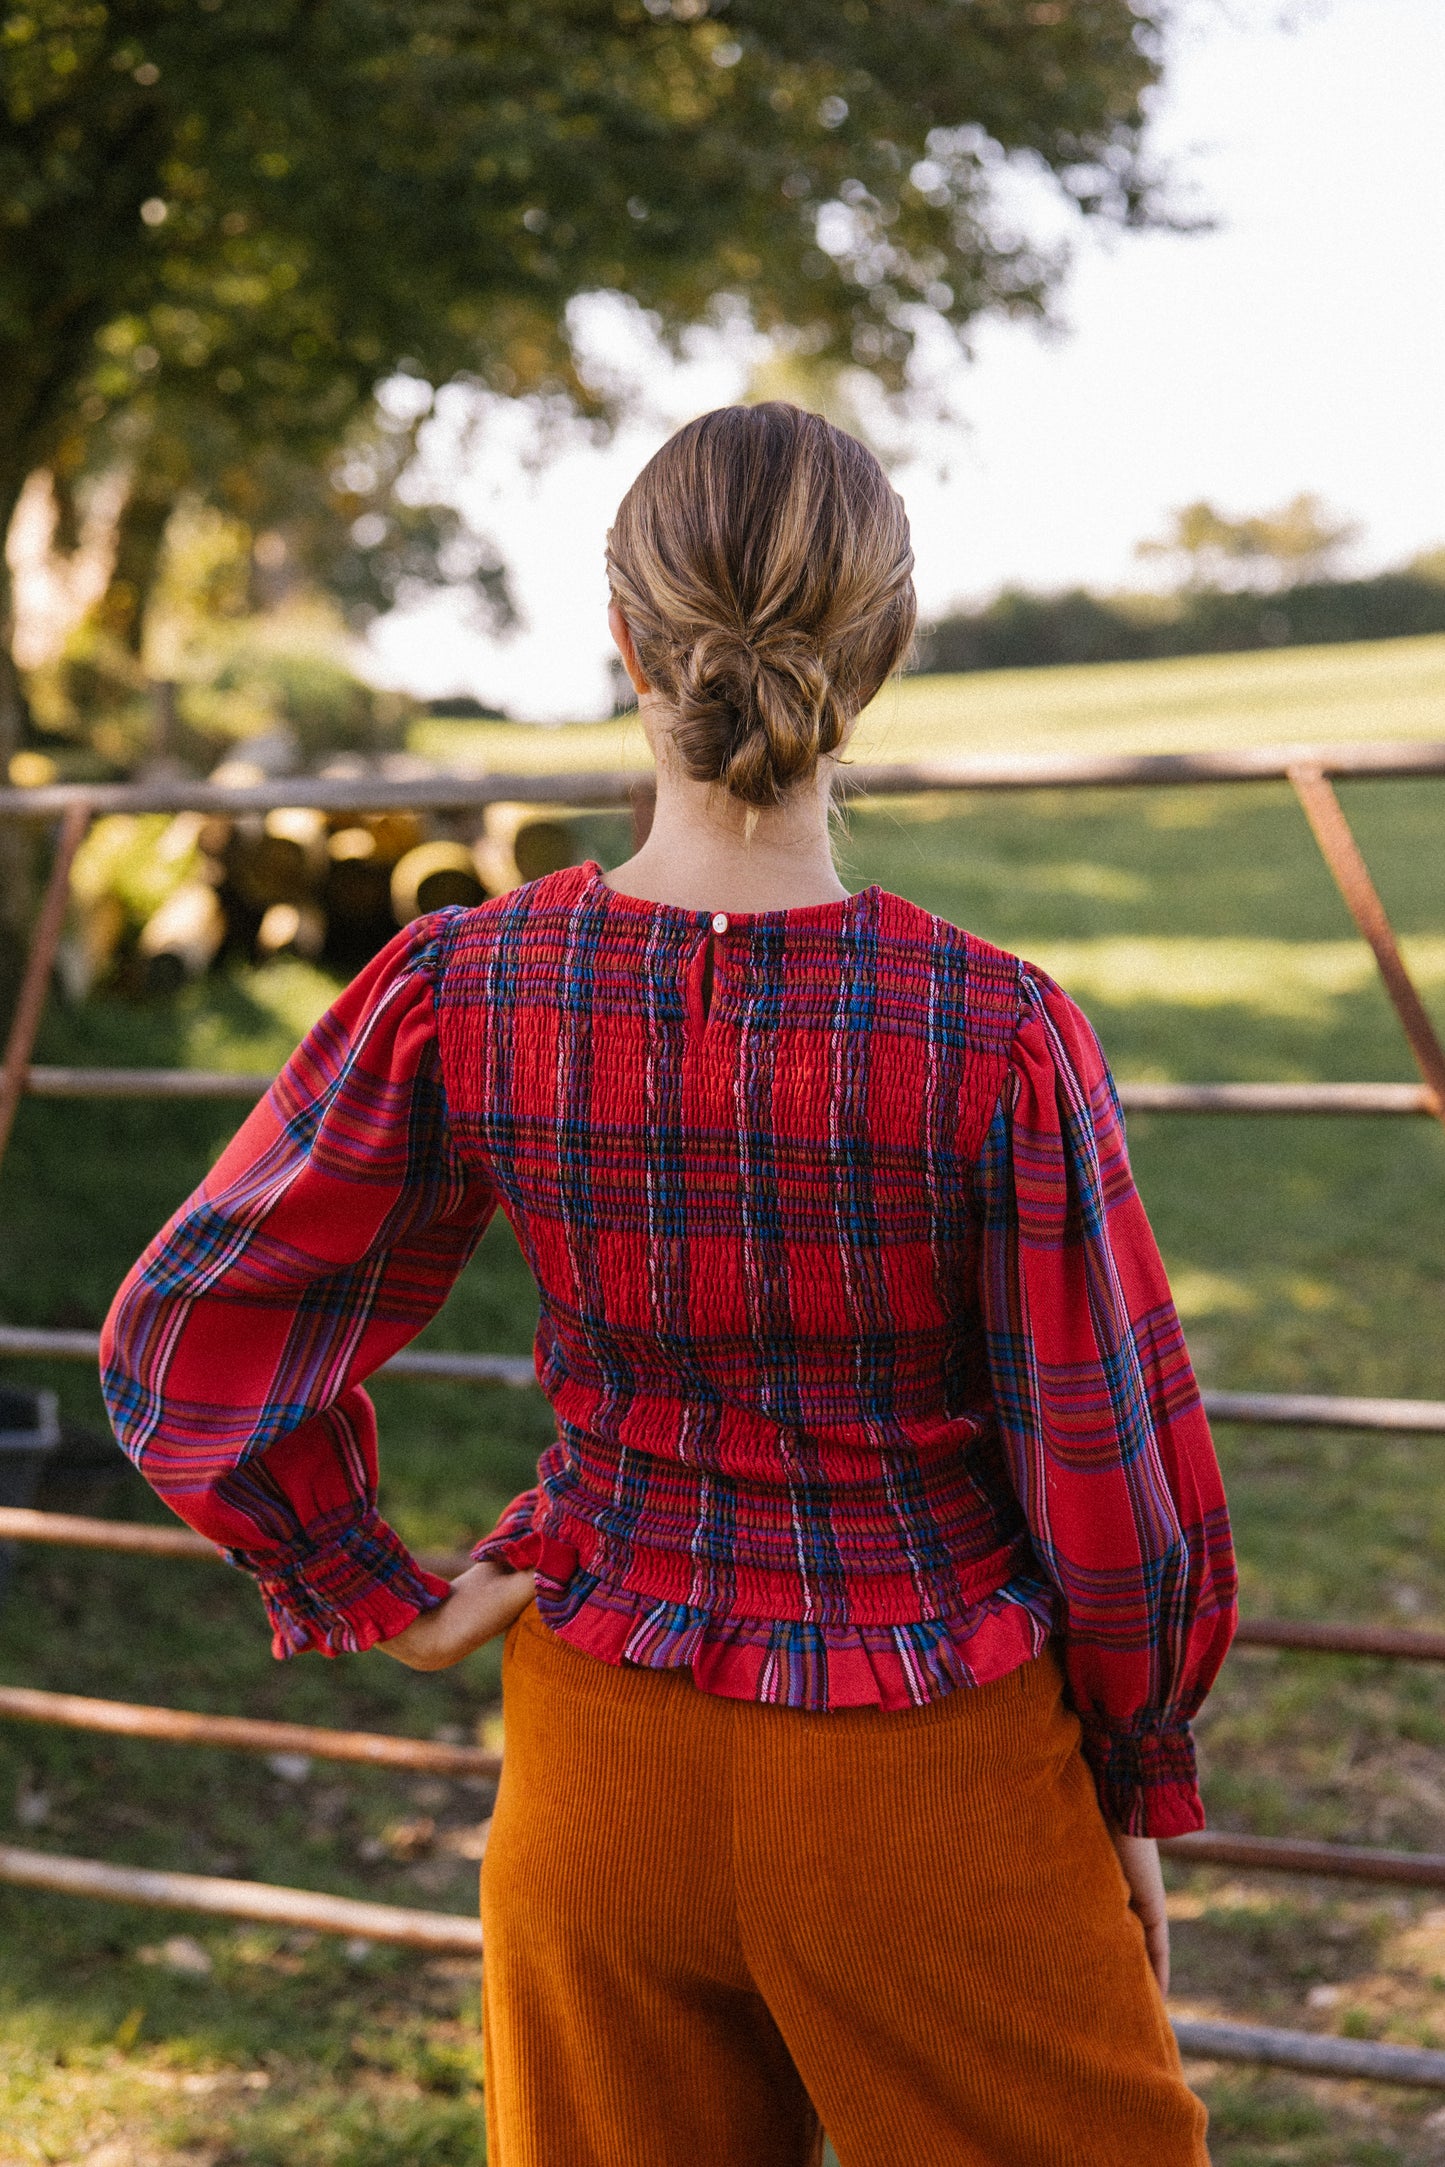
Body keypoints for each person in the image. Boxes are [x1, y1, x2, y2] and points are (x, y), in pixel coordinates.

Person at [102, 402, 1236, 2166]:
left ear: (620, 639)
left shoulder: (467, 983)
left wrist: (373, 1587)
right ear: (882, 656)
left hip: (594, 1756)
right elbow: (1109, 1470)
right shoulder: (992, 1032)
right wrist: (1139, 1778)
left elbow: (188, 1334)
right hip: (921, 1771)